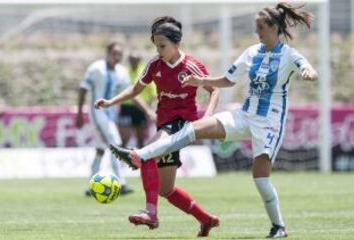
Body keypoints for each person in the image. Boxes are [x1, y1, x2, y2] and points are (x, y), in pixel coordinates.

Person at [107, 3, 318, 238]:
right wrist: (201, 81)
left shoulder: (289, 55)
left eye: (260, 28)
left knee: (260, 179)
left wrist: (309, 72)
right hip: (243, 116)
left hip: (269, 123)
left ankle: (278, 226)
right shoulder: (252, 52)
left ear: (274, 27)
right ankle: (141, 155)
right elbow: (227, 80)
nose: (257, 32)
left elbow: (306, 67)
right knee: (195, 128)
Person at [95, 16, 220, 237]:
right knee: (166, 189)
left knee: (147, 154)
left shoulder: (191, 65)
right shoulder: (154, 65)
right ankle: (206, 219)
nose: (159, 50)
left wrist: (207, 118)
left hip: (183, 124)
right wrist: (110, 102)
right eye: (156, 46)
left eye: (162, 46)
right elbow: (135, 90)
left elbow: (214, 89)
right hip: (165, 124)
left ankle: (151, 213)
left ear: (176, 43)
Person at [76, 41, 146, 196]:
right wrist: (79, 113)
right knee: (116, 142)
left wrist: (147, 111)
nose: (117, 57)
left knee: (101, 149)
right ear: (107, 53)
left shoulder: (121, 72)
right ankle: (121, 183)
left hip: (110, 115)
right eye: (114, 53)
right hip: (97, 113)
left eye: (119, 54)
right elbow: (83, 89)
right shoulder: (96, 68)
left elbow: (131, 92)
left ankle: (91, 186)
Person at [118, 52, 156, 148]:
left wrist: (149, 108)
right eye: (131, 59)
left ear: (139, 60)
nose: (133, 62)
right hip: (126, 107)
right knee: (124, 138)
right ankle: (121, 160)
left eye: (135, 59)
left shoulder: (145, 72)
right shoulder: (124, 72)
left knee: (140, 138)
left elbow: (152, 92)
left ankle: (139, 161)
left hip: (141, 109)